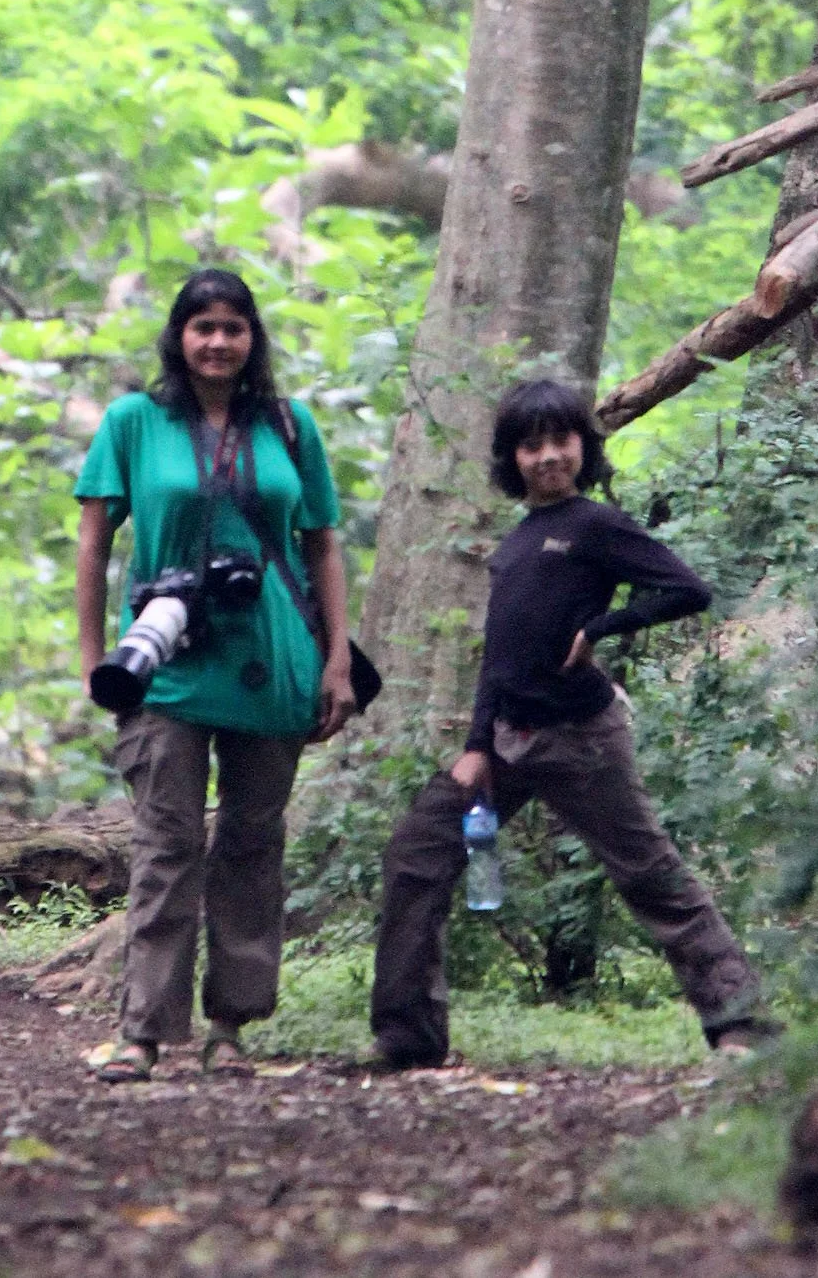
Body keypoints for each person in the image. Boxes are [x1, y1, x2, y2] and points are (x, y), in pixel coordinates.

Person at [369, 375, 767, 1068]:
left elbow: (687, 589)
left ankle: (741, 1025)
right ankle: (408, 1036)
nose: (548, 455)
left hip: (583, 741)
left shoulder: (595, 524)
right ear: (511, 458)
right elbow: (498, 654)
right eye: (531, 446)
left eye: (561, 440)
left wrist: (603, 626)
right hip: (505, 743)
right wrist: (475, 746)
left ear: (583, 446)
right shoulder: (520, 540)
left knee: (650, 874)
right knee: (416, 855)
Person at [75, 267, 356, 1081]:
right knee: (166, 842)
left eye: (234, 327)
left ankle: (231, 1025)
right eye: (204, 327)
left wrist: (336, 658)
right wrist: (94, 659)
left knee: (251, 842)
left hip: (273, 661)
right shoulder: (133, 422)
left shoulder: (290, 427)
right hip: (167, 660)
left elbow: (323, 544)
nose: (219, 341)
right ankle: (144, 1031)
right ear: (179, 336)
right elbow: (94, 545)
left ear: (252, 338)